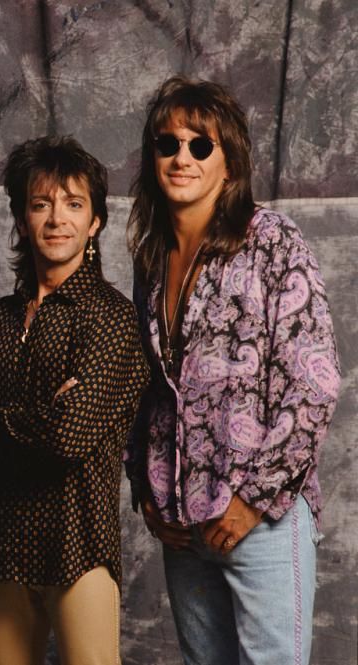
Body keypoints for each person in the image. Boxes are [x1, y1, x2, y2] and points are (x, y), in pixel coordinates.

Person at [125, 76, 341, 665]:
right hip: (183, 527)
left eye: (201, 145)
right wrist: (145, 487)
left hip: (261, 518)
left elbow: (314, 381)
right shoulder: (151, 257)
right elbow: (148, 388)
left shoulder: (272, 241)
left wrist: (255, 499)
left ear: (229, 163)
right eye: (168, 144)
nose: (182, 158)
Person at [0, 136, 148, 665]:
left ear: (95, 222)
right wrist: (33, 418)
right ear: (21, 217)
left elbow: (66, 438)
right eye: (41, 204)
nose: (57, 218)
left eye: (73, 204)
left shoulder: (111, 317)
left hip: (77, 544)